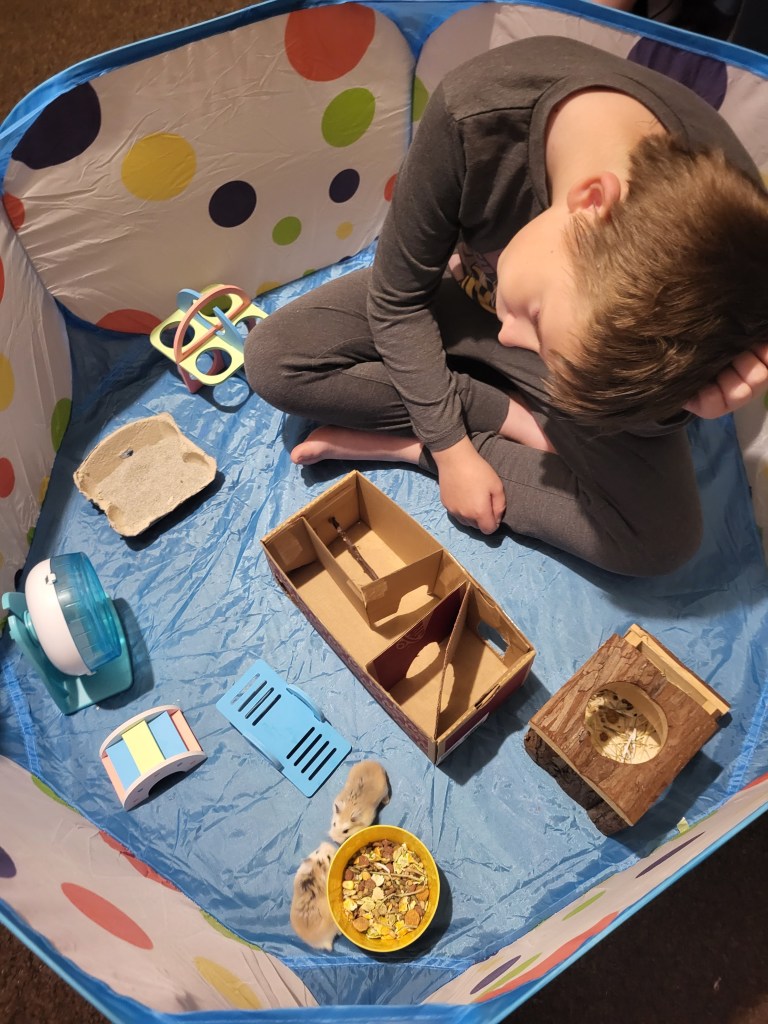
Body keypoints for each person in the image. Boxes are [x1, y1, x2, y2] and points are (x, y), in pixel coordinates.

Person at [244, 36, 768, 577]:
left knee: (660, 541)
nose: (514, 337)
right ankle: (502, 416)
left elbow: (621, 392)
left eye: (538, 326)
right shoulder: (474, 113)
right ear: (592, 204)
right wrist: (449, 449)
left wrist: (675, 407)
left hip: (586, 380)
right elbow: (397, 300)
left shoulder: (738, 256)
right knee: (276, 359)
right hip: (454, 292)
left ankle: (415, 439)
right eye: (537, 316)